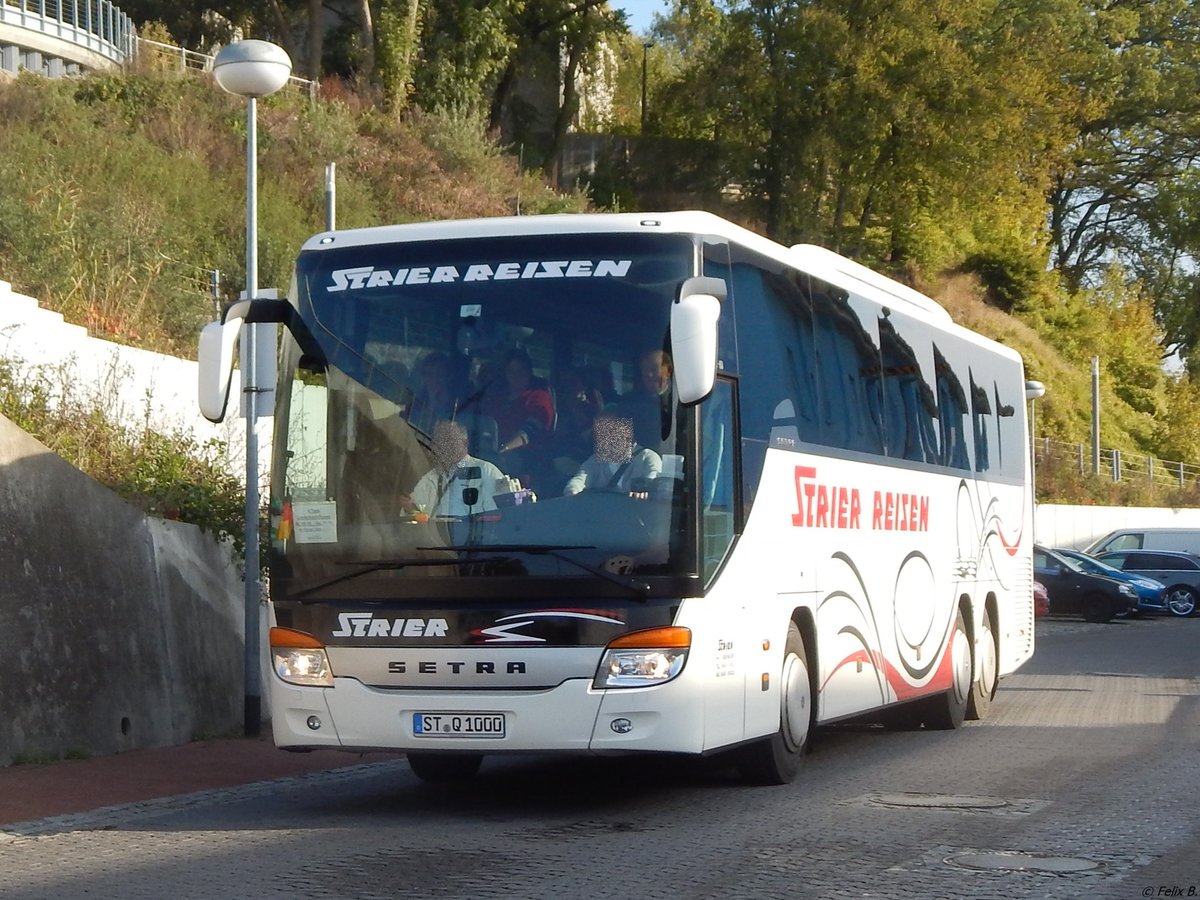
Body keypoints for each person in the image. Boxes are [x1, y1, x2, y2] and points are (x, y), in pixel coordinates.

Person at [403, 420, 506, 517]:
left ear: (464, 443)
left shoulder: (486, 472)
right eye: (437, 441)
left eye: (448, 440)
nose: (441, 446)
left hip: (473, 535)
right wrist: (411, 509)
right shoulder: (430, 477)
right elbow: (421, 517)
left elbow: (498, 520)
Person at [483, 348, 556, 480]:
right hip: (489, 458)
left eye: (521, 371)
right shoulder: (497, 398)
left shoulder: (539, 397)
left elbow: (529, 431)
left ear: (529, 372)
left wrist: (504, 450)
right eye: (511, 371)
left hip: (524, 465)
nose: (516, 376)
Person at [563, 413, 662, 497]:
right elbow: (581, 478)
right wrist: (572, 491)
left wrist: (644, 493)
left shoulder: (648, 458)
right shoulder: (596, 460)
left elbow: (652, 484)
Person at [614, 347, 673, 450]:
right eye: (645, 370)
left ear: (668, 371)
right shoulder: (629, 402)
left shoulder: (681, 400)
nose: (649, 375)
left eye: (654, 369)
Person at [407, 352, 460, 434]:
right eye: (429, 374)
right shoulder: (414, 403)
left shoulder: (459, 407)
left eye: (439, 374)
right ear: (423, 377)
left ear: (448, 377)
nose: (434, 379)